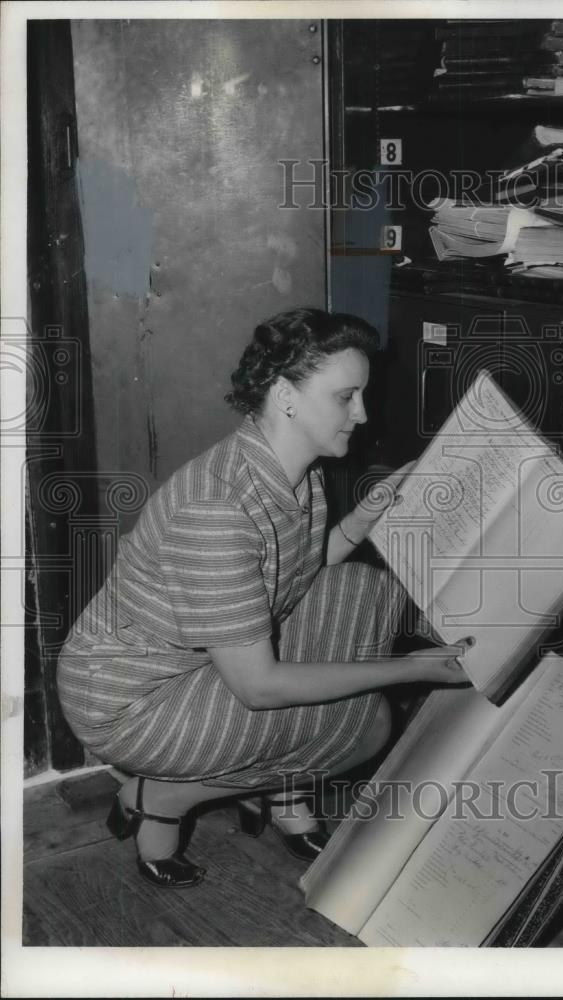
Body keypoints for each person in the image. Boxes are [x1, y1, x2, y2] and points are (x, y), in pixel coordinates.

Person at [57, 307, 470, 889]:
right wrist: (410, 668)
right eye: (346, 397)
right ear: (285, 395)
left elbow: (291, 570)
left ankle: (285, 795)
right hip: (132, 700)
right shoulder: (217, 511)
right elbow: (259, 686)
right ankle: (165, 796)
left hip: (194, 661)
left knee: (361, 590)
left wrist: (361, 520)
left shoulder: (293, 467)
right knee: (367, 726)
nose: (363, 414)